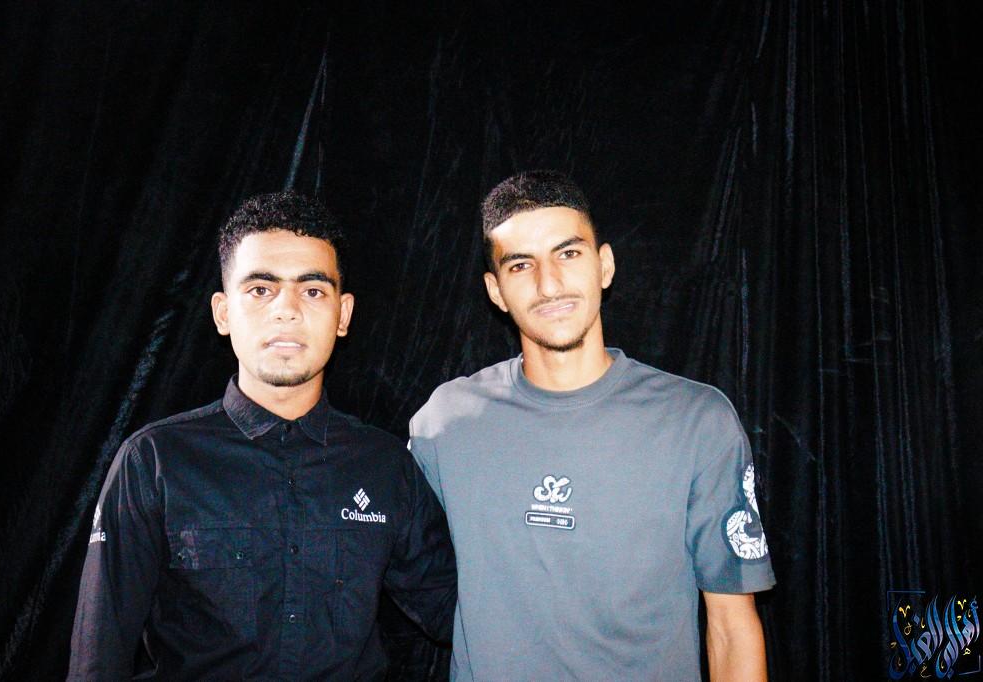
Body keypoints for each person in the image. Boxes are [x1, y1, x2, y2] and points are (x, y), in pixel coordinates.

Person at [68, 191, 456, 680]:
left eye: (312, 291)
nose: (286, 310)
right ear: (222, 312)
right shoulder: (154, 462)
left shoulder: (385, 466)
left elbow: (459, 612)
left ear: (343, 315)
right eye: (260, 289)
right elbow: (98, 657)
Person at [408, 171, 775, 681]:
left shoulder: (696, 421)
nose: (549, 284)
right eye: (521, 265)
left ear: (604, 265)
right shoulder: (444, 424)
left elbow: (732, 626)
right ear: (496, 291)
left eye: (568, 254)